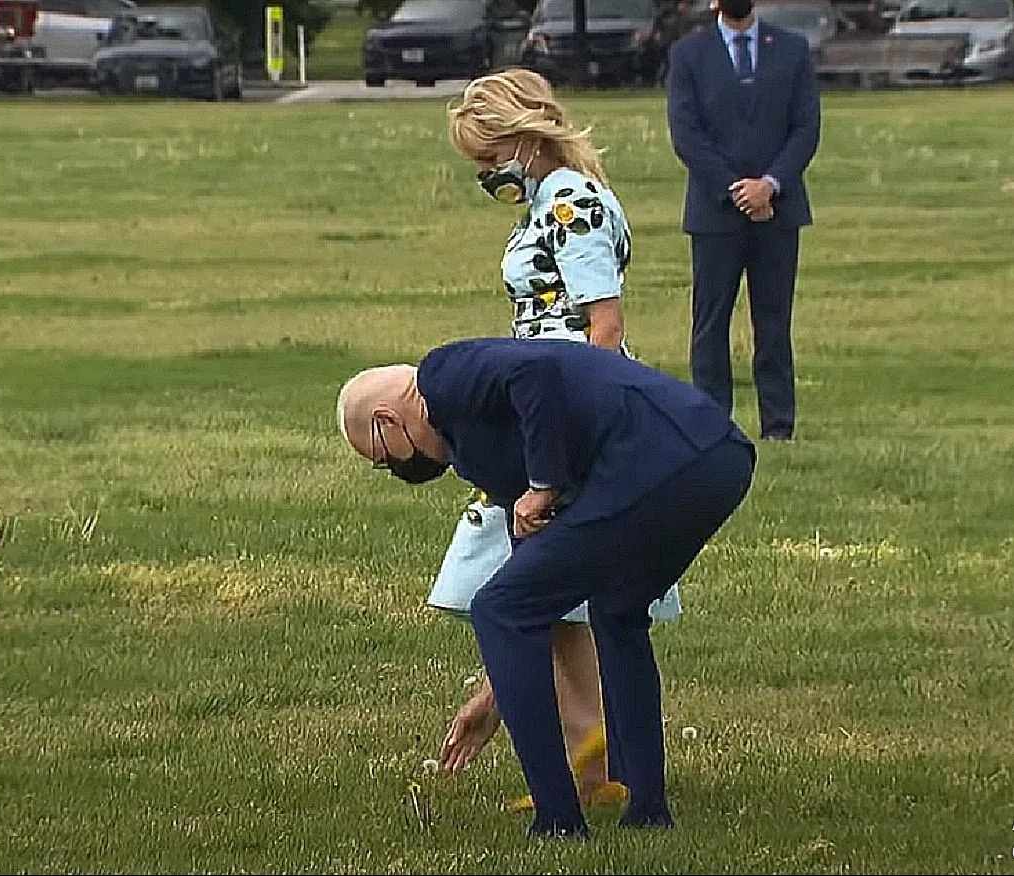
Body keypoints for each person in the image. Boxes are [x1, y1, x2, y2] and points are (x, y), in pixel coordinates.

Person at [335, 337, 755, 836]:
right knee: (615, 610)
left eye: (384, 459)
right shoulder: (476, 447)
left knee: (497, 609)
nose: (398, 470)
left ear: (386, 420)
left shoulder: (441, 375)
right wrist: (494, 697)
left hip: (661, 458)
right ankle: (647, 809)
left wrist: (544, 484)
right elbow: (533, 576)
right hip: (716, 459)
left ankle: (559, 820)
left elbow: (535, 372)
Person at [433, 67, 681, 812]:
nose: (486, 173)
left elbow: (603, 326)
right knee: (554, 591)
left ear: (522, 137)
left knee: (533, 574)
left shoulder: (573, 202)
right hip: (537, 404)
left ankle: (587, 758)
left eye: (488, 156)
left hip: (566, 409)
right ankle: (590, 756)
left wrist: (580, 438)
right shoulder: (550, 199)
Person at [665, 0, 821, 441]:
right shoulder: (688, 54)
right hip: (716, 214)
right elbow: (686, 134)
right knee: (710, 324)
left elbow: (806, 128)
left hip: (778, 211)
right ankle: (711, 425)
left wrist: (770, 185)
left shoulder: (791, 50)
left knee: (773, 323)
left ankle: (778, 426)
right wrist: (737, 190)